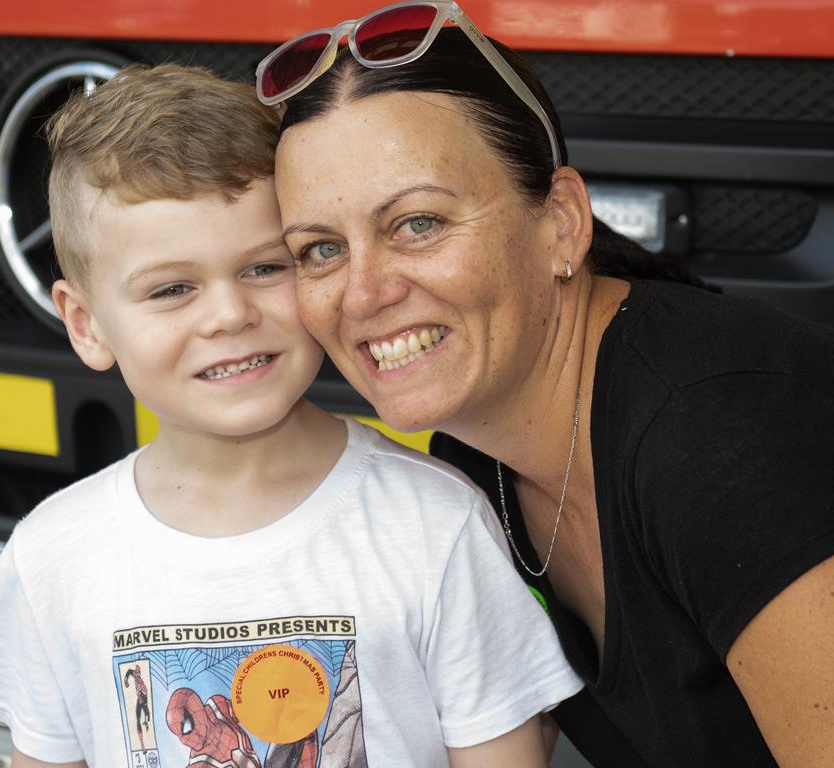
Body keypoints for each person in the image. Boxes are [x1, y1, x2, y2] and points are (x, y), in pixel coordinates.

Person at [0, 62, 582, 768]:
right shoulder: (51, 559)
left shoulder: (436, 526)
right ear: (86, 323)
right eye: (172, 289)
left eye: (264, 268)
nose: (229, 315)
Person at [262, 2, 834, 766]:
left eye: (418, 224)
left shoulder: (713, 429)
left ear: (561, 222)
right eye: (321, 249)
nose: (362, 295)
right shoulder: (478, 465)